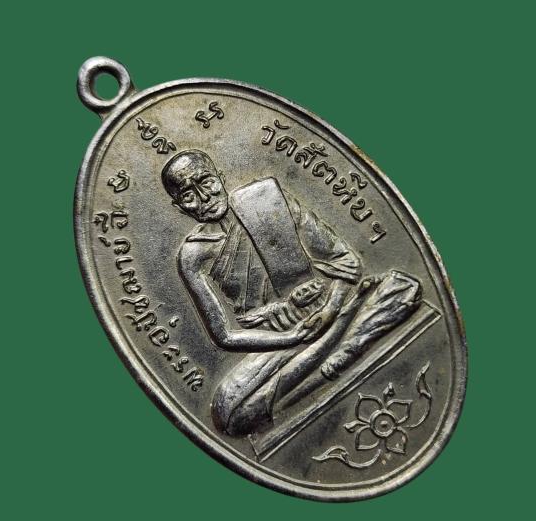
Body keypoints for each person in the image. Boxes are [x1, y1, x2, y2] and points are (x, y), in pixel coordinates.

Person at [161, 150, 421, 436]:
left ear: (220, 177)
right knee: (228, 413)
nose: (204, 198)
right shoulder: (192, 255)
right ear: (178, 207)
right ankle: (350, 341)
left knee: (406, 289)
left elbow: (345, 261)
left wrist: (329, 309)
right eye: (189, 196)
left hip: (328, 307)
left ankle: (336, 347)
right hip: (276, 341)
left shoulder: (265, 199)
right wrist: (291, 336)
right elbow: (224, 336)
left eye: (206, 182)